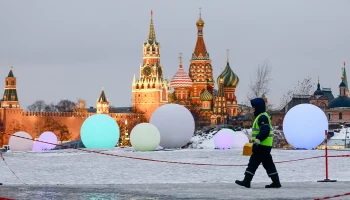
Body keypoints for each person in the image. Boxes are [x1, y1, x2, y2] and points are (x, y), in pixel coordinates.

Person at [235, 97, 281, 188]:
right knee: (268, 164)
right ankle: (276, 182)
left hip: (262, 145)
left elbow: (265, 129)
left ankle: (246, 181)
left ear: (259, 107)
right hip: (265, 145)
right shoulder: (262, 116)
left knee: (253, 162)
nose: (253, 110)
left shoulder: (262, 117)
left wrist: (258, 139)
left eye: (255, 108)